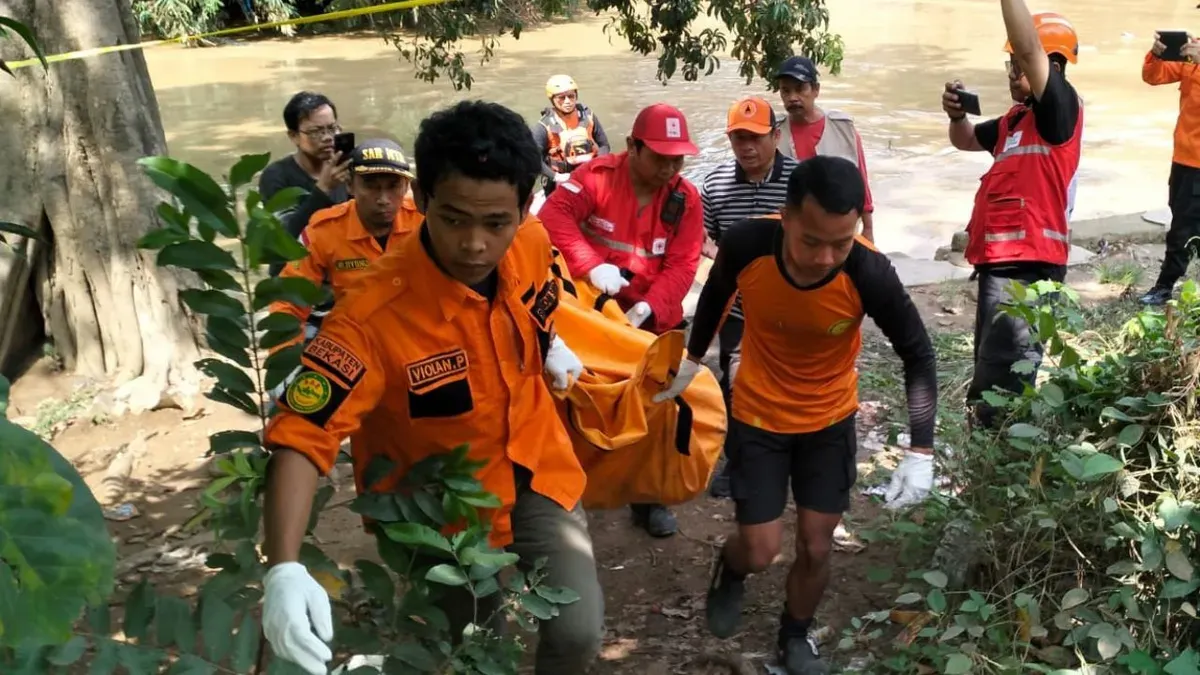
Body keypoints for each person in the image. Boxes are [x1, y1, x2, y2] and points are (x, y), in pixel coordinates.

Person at [258, 100, 603, 675]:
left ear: (523, 207)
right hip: (442, 508)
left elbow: (536, 312)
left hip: (536, 461)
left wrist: (549, 346)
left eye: (496, 222)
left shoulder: (534, 245)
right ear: (424, 202)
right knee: (473, 648)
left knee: (578, 631)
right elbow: (301, 434)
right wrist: (283, 567)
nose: (474, 244)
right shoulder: (371, 314)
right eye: (453, 218)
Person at [653, 155, 937, 675]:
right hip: (759, 414)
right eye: (811, 241)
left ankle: (795, 636)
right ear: (785, 217)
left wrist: (921, 450)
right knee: (760, 548)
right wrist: (692, 361)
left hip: (828, 419)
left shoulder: (868, 271)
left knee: (815, 544)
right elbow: (716, 294)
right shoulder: (746, 243)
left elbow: (917, 353)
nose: (825, 257)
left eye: (841, 241)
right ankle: (731, 570)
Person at [538, 102, 705, 539]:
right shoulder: (595, 179)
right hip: (593, 318)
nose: (670, 168)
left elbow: (683, 265)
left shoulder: (685, 200)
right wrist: (591, 265)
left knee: (655, 406)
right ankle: (578, 488)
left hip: (650, 318)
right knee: (583, 397)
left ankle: (649, 497)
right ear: (632, 146)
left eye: (678, 159)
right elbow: (551, 219)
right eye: (660, 157)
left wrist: (648, 308)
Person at [941, 3, 1082, 427]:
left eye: (1016, 65)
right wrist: (956, 114)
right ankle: (989, 451)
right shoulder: (1015, 120)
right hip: (1000, 262)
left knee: (1003, 373)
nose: (1009, 73)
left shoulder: (1059, 107)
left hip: (1029, 265)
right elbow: (964, 140)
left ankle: (997, 460)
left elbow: (1030, 47)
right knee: (991, 361)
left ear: (1048, 67)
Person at [700, 96, 799, 499]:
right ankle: (737, 460)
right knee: (735, 382)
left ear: (776, 135)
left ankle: (788, 454)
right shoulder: (713, 184)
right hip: (738, 305)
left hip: (795, 303)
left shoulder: (801, 180)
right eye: (739, 138)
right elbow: (704, 238)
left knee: (790, 380)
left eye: (756, 137)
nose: (747, 147)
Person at [270, 138, 421, 333]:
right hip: (357, 336)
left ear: (407, 187)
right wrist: (287, 357)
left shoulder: (425, 221)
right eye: (371, 186)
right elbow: (289, 302)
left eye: (393, 186)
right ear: (350, 186)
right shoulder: (324, 230)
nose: (383, 199)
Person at [775, 56, 877, 242]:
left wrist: (868, 228)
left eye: (800, 89)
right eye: (785, 91)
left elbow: (860, 177)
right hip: (793, 230)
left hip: (839, 227)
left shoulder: (842, 128)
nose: (792, 98)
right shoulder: (774, 133)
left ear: (816, 90)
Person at [1139, 33, 1200, 306]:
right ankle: (1169, 287)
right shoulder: (1192, 52)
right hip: (1184, 159)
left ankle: (1165, 286)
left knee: (1184, 229)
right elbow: (1153, 76)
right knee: (1180, 223)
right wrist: (1157, 54)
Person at [259, 91, 352, 249]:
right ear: (294, 136)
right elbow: (284, 238)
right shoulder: (276, 176)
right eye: (316, 132)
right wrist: (323, 190)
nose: (327, 137)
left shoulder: (346, 167)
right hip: (295, 268)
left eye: (332, 128)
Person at [533, 74, 611, 196]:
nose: (568, 101)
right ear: (552, 99)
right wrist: (556, 177)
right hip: (559, 180)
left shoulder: (589, 116)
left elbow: (604, 145)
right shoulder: (543, 126)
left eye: (571, 96)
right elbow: (533, 159)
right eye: (561, 98)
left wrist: (597, 165)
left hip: (589, 175)